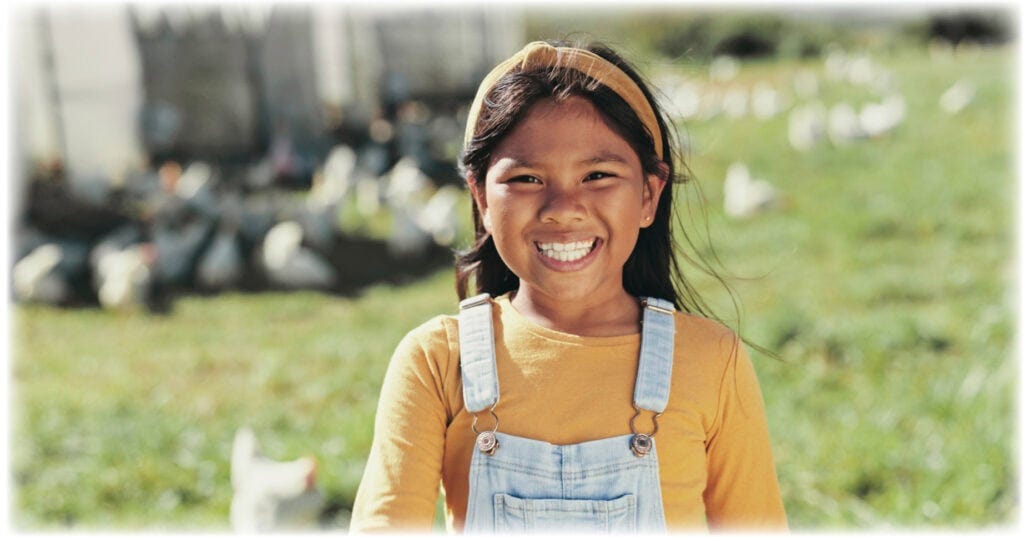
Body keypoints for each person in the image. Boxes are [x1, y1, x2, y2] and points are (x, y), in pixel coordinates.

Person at [350, 40, 787, 532]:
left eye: (598, 175)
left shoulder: (712, 362)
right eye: (528, 179)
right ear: (481, 199)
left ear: (648, 195)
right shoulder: (434, 362)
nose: (563, 206)